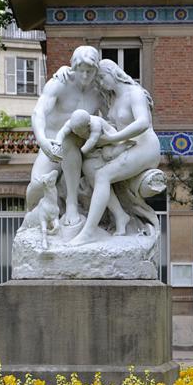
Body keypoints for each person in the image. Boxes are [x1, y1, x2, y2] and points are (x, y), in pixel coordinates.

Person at [70, 58, 161, 246]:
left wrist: (113, 139)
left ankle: (88, 232)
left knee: (103, 175)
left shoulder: (134, 93)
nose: (102, 84)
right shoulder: (112, 99)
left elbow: (143, 122)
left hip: (146, 147)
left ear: (113, 72)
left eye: (102, 78)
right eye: (99, 81)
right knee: (89, 166)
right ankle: (120, 215)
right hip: (126, 146)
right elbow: (112, 126)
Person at [29, 45, 102, 227]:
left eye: (90, 71)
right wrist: (43, 141)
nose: (85, 76)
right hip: (52, 144)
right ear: (73, 67)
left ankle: (72, 204)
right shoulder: (60, 83)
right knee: (37, 185)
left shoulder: (99, 90)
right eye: (81, 70)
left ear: (96, 69)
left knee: (69, 141)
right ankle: (32, 222)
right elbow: (39, 112)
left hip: (82, 146)